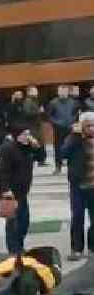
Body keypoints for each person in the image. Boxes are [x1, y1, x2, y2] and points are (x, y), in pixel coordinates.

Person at [0, 127, 46, 254]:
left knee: (24, 222)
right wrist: (5, 189)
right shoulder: (8, 148)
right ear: (17, 136)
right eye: (24, 134)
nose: (27, 137)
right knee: (13, 223)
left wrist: (38, 147)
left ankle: (19, 245)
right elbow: (2, 170)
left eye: (28, 134)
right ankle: (14, 249)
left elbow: (41, 158)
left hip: (23, 192)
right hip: (11, 192)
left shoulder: (28, 148)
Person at [63, 111, 94, 261]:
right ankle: (76, 249)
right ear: (82, 126)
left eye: (93, 125)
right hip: (78, 186)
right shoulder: (74, 140)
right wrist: (75, 136)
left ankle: (92, 247)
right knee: (77, 217)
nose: (92, 128)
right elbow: (63, 153)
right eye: (88, 126)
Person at [48, 85, 80, 175]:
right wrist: (56, 123)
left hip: (70, 128)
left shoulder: (73, 102)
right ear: (58, 92)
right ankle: (58, 167)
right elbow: (49, 116)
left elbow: (77, 114)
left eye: (64, 91)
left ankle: (72, 167)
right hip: (59, 129)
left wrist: (73, 122)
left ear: (67, 92)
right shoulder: (53, 102)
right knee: (58, 148)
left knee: (72, 147)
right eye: (61, 91)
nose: (62, 93)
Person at [24, 87, 47, 166]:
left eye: (36, 91)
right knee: (34, 142)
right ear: (29, 92)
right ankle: (35, 160)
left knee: (40, 142)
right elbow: (27, 113)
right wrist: (39, 111)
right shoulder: (27, 102)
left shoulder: (35, 101)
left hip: (37, 125)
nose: (36, 92)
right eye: (34, 91)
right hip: (32, 125)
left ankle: (41, 160)